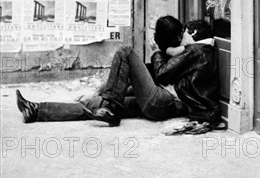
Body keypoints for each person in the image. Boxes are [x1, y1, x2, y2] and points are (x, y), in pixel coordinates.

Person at [16, 16, 222, 130]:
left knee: (125, 51)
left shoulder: (197, 50)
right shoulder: (189, 52)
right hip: (160, 101)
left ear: (192, 34)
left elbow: (160, 75)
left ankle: (111, 106)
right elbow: (153, 74)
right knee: (94, 105)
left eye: (184, 32)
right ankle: (36, 110)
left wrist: (159, 51)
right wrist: (100, 91)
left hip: (165, 102)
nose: (181, 36)